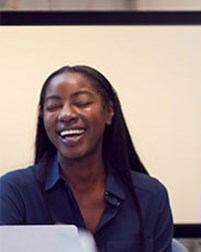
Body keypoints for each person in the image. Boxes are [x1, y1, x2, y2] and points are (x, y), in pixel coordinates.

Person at [0, 65, 174, 251]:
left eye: (82, 103)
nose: (66, 114)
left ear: (108, 112)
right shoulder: (14, 192)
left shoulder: (151, 196)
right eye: (53, 106)